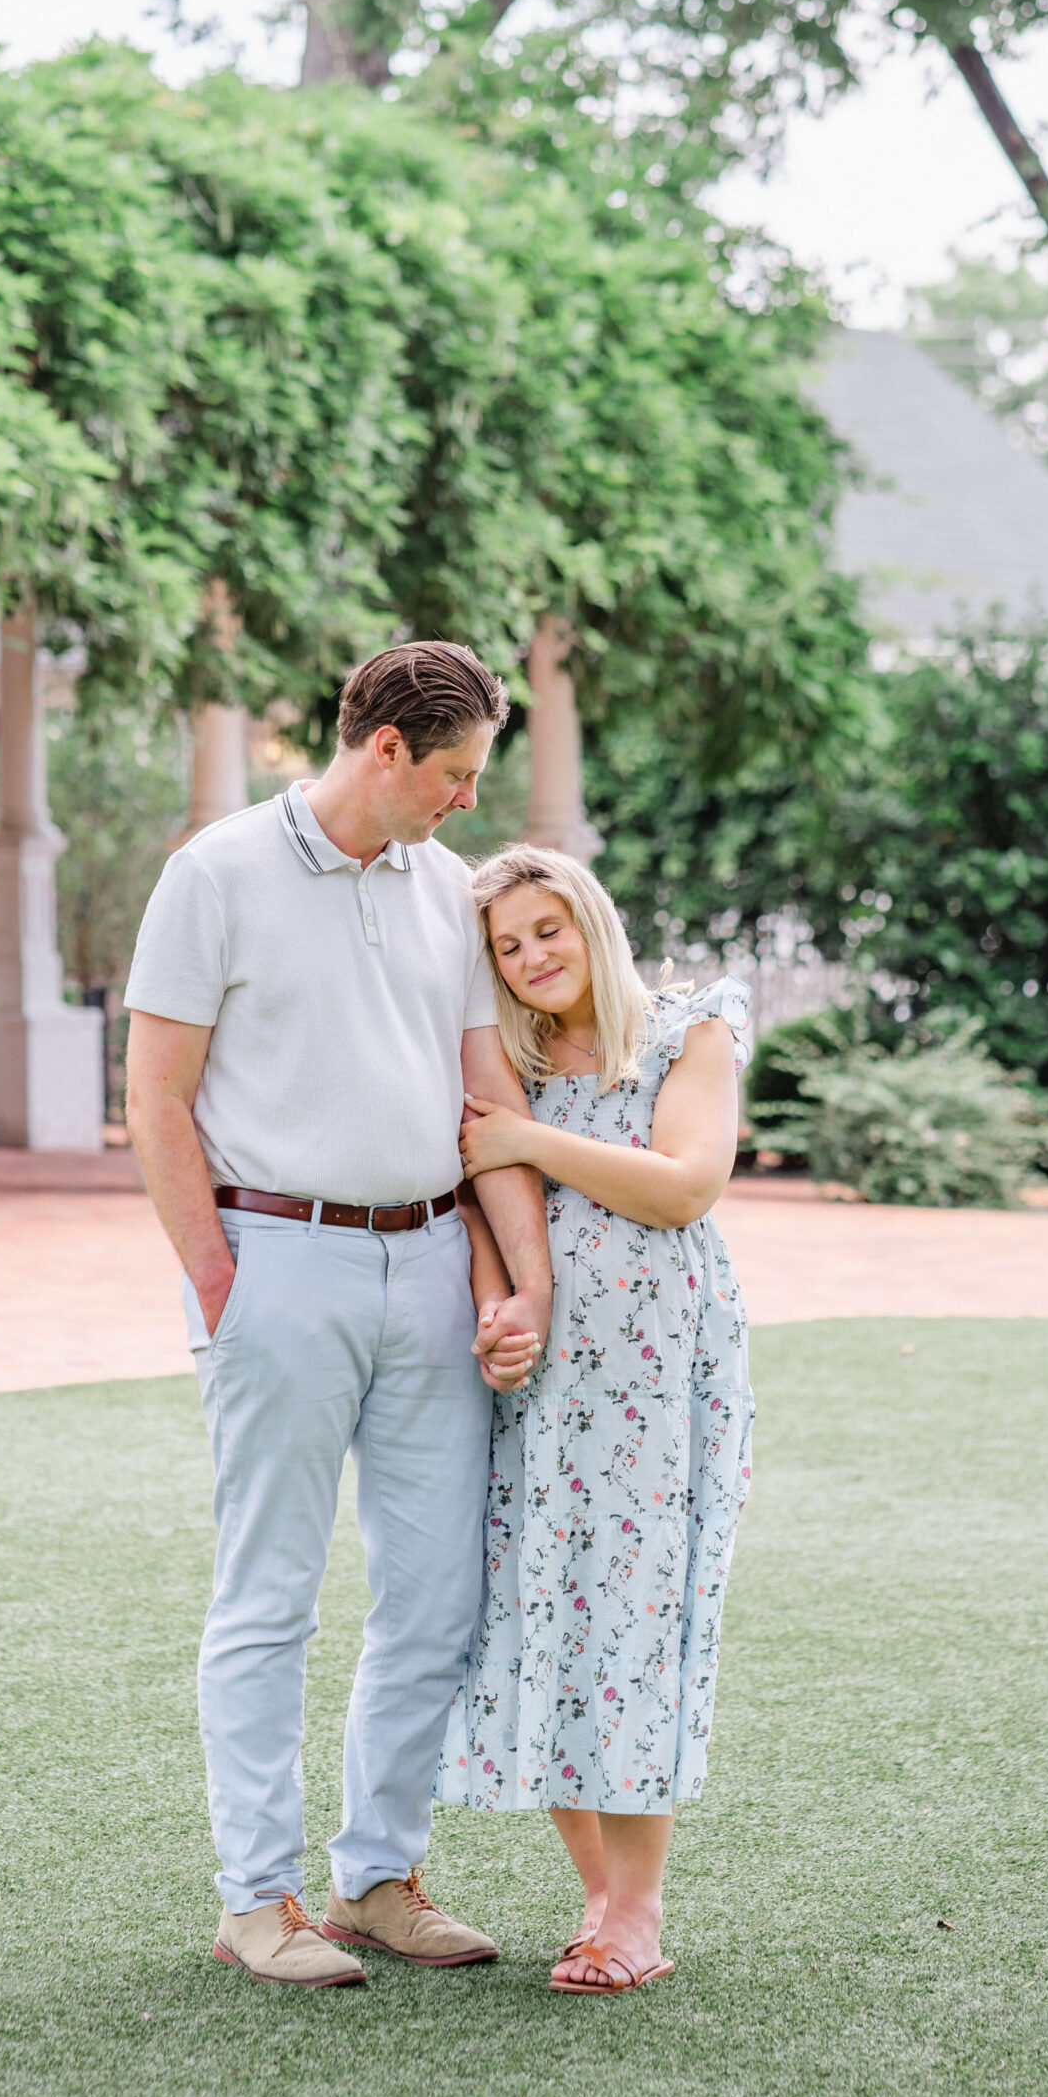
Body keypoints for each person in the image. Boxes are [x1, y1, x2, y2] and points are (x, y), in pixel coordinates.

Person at [123, 644, 549, 1991]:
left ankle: (374, 1880)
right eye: (455, 775)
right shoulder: (215, 874)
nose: (466, 804)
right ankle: (257, 1899)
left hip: (427, 1263)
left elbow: (487, 1108)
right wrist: (216, 1276)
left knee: (435, 1592)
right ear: (384, 751)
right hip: (275, 1261)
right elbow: (154, 1099)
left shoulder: (446, 895)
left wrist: (500, 1280)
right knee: (271, 1595)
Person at [439, 844, 754, 1995]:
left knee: (637, 1617)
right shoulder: (501, 1061)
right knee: (543, 1621)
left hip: (663, 1384)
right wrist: (495, 1307)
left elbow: (683, 1185)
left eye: (546, 930)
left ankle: (640, 1909)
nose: (531, 959)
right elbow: (473, 1201)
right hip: (543, 1389)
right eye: (507, 947)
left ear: (592, 921)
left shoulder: (687, 1032)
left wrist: (530, 1140)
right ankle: (600, 1900)